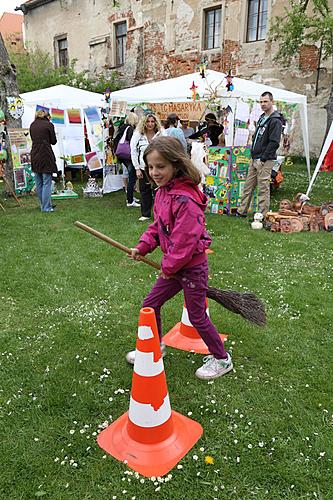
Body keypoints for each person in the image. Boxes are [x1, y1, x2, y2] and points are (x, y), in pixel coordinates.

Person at [126, 136, 233, 380]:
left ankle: (222, 359)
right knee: (150, 305)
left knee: (196, 316)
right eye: (151, 167)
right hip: (174, 268)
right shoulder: (164, 192)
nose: (154, 172)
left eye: (160, 166)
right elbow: (158, 227)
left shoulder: (186, 199)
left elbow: (185, 240)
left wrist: (169, 265)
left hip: (191, 268)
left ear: (177, 165)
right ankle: (155, 347)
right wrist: (142, 248)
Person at [237, 92, 283, 218]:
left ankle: (263, 215)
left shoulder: (275, 121)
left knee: (263, 188)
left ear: (272, 102)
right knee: (248, 186)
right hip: (254, 158)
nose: (263, 104)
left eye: (265, 101)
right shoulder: (262, 117)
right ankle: (241, 211)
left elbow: (274, 142)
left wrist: (263, 158)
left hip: (265, 160)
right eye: (261, 102)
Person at [130, 113, 163, 221]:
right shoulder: (138, 134)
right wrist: (137, 168)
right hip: (143, 167)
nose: (150, 124)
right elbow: (133, 151)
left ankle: (161, 215)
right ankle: (145, 214)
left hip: (159, 167)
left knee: (159, 191)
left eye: (152, 121)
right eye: (148, 121)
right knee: (145, 190)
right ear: (144, 122)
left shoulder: (161, 134)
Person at [30, 109, 57, 212]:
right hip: (45, 154)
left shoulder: (32, 125)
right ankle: (46, 207)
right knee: (46, 182)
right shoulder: (48, 125)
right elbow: (53, 141)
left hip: (35, 153)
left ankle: (44, 205)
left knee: (39, 182)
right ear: (47, 116)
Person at [113, 112, 140, 207]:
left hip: (122, 156)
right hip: (129, 156)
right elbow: (133, 142)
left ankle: (130, 197)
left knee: (130, 176)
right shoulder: (130, 129)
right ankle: (130, 201)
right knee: (132, 177)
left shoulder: (122, 127)